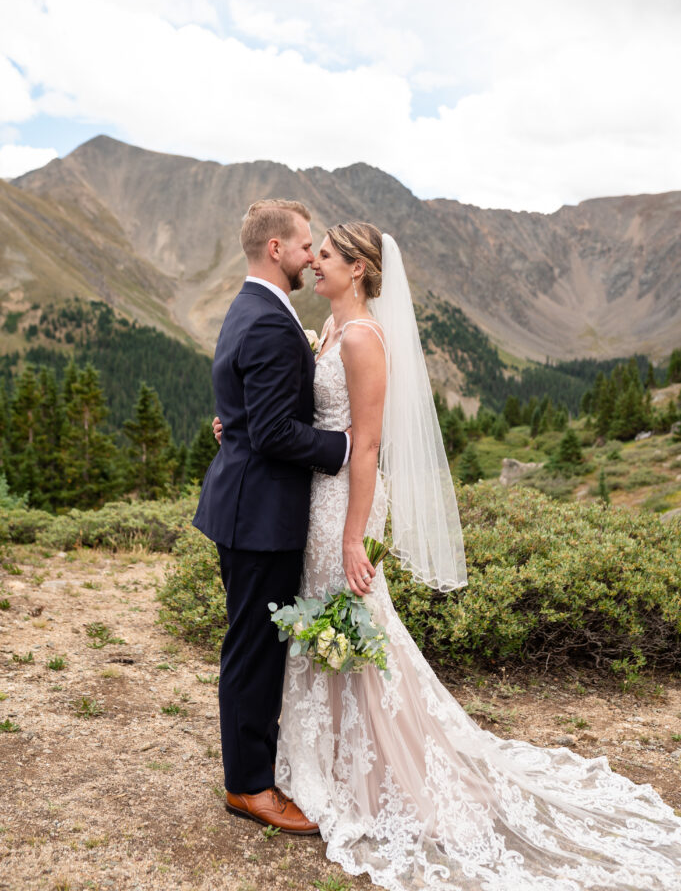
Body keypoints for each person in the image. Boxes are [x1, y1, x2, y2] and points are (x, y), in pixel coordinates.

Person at [214, 221, 681, 890]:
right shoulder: (328, 332)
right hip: (310, 501)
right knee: (318, 630)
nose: (314, 264)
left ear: (359, 269)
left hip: (343, 501)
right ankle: (319, 762)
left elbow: (365, 446)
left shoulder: (365, 338)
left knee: (357, 622)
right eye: (310, 254)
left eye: (326, 257)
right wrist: (241, 423)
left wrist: (353, 535)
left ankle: (384, 772)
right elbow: (292, 411)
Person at [193, 199, 353, 835]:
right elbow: (275, 434)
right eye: (306, 244)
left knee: (255, 645)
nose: (313, 255)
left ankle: (258, 767)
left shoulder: (252, 307)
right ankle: (249, 788)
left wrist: (232, 426)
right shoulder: (266, 321)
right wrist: (346, 446)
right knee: (254, 651)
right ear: (276, 250)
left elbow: (242, 403)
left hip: (249, 506)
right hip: (259, 516)